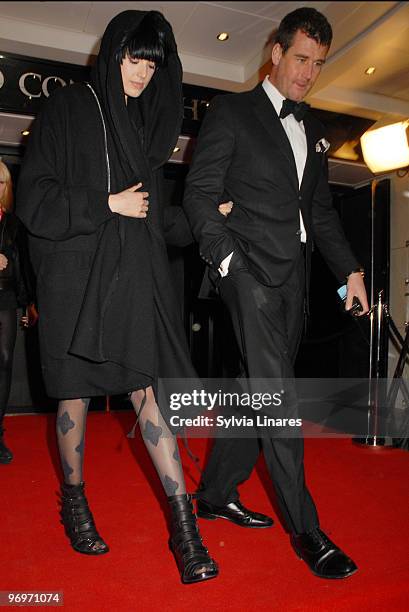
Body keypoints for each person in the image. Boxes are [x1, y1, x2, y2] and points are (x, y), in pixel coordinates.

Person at [16, 10, 219, 584]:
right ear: (112, 55)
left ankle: (185, 533)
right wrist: (107, 203)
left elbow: (153, 220)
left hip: (128, 278)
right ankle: (75, 505)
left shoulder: (141, 129)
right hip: (72, 280)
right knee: (74, 398)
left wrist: (208, 222)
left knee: (147, 391)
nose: (142, 72)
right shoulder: (65, 108)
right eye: (133, 58)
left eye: (151, 63)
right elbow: (36, 202)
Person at [183, 7, 369, 580]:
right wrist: (229, 258)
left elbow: (320, 212)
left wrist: (350, 272)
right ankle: (307, 530)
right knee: (279, 398)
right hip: (247, 274)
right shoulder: (233, 112)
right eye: (301, 59)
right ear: (276, 52)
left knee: (251, 393)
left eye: (318, 63)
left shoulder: (311, 130)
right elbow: (197, 193)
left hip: (294, 282)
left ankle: (214, 494)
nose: (309, 72)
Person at [0, 160, 36, 464]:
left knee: (4, 360)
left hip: (6, 296)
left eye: (0, 183)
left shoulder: (13, 223)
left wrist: (27, 303)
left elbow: (23, 265)